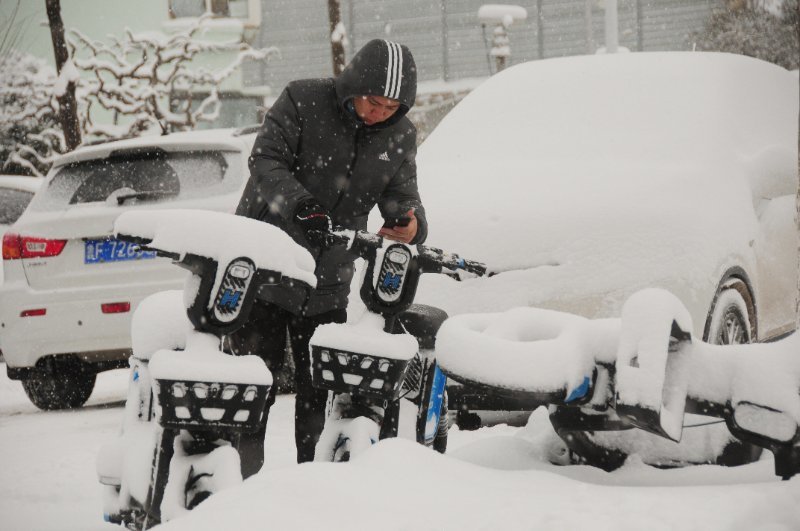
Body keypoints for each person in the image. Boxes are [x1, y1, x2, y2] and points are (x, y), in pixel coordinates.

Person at [230, 39, 427, 475]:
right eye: (373, 102)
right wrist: (301, 206)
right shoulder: (303, 99)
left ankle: (315, 487)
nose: (379, 113)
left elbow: (403, 197)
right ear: (354, 85)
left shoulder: (400, 135)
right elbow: (265, 162)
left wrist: (409, 224)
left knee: (319, 392)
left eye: (392, 107)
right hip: (266, 265)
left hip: (328, 278)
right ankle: (240, 490)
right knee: (253, 384)